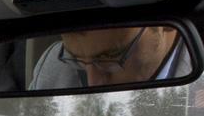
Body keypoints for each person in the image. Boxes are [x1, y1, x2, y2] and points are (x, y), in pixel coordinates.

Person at [30, 25, 191, 89]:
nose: (92, 83)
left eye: (111, 57)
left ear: (166, 24)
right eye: (77, 60)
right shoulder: (54, 68)